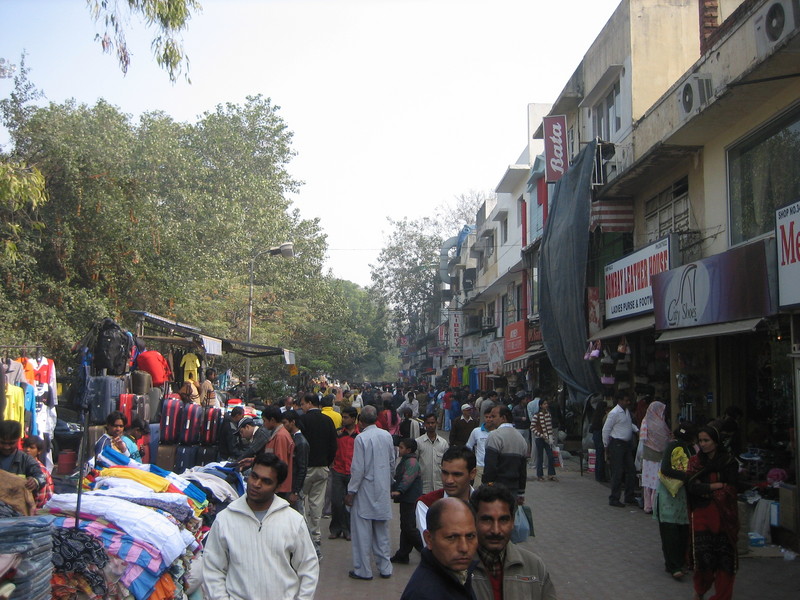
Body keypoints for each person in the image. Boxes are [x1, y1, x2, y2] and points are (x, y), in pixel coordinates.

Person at [202, 453, 319, 600]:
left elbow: (308, 567)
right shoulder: (225, 519)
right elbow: (213, 569)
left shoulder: (293, 521)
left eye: (266, 481)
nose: (256, 484)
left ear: (277, 487)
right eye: (254, 476)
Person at [470, 484, 557, 600]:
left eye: (503, 520)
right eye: (487, 520)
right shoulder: (459, 567)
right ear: (473, 521)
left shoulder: (534, 567)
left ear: (512, 522)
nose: (496, 530)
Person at [687, 426, 739, 600]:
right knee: (704, 560)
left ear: (716, 442)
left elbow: (732, 487)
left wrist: (704, 489)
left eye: (706, 440)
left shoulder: (728, 462)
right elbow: (691, 486)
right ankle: (700, 590)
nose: (703, 444)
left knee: (725, 562)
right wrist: (714, 486)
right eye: (700, 441)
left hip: (724, 516)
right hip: (702, 515)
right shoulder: (695, 462)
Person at [344, 405, 396, 581]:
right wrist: (389, 482)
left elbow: (358, 469)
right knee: (382, 532)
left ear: (360, 421)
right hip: (382, 489)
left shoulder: (361, 438)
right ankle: (385, 568)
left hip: (364, 491)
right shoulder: (386, 436)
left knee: (362, 533)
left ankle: (363, 570)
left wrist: (351, 491)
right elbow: (392, 462)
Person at [400, 497, 479, 600]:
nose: (464, 547)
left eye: (470, 536)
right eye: (452, 537)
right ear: (429, 539)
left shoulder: (460, 575)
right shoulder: (423, 595)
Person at [653, 423, 696, 580]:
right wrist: (686, 476)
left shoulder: (690, 449)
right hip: (669, 495)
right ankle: (674, 566)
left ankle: (676, 563)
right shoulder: (674, 447)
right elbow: (665, 469)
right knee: (670, 531)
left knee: (680, 531)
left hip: (681, 497)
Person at [299, 392, 338, 559]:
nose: (302, 407)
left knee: (300, 500)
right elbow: (333, 445)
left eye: (303, 404)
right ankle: (315, 535)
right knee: (316, 503)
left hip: (305, 468)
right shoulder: (327, 421)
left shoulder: (303, 420)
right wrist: (327, 462)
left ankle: (302, 533)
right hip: (322, 467)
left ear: (309, 403)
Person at [416, 445, 477, 542]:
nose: (449, 480)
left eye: (457, 474)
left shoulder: (484, 504)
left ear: (472, 473)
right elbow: (432, 545)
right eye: (445, 473)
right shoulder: (426, 503)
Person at [483, 405, 527, 504]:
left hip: (496, 490)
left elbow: (490, 466)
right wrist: (521, 492)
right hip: (513, 489)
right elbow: (522, 470)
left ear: (503, 418)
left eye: (494, 416)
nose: (491, 419)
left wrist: (487, 486)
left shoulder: (494, 436)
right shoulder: (521, 439)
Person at [602, 391, 639, 508]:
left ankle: (629, 496)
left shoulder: (626, 412)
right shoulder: (614, 413)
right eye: (625, 400)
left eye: (628, 400)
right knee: (617, 472)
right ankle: (614, 498)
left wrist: (637, 430)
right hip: (617, 444)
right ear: (620, 401)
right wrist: (606, 445)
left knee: (631, 470)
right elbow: (606, 429)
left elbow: (628, 424)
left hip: (626, 444)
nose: (628, 402)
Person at [390, 438, 424, 564]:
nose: (399, 449)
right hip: (407, 498)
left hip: (411, 499)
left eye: (402, 447)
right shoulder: (406, 460)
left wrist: (399, 490)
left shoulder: (412, 462)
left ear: (408, 450)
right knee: (405, 526)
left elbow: (407, 478)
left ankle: (427, 550)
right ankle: (403, 554)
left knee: (409, 528)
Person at [329, 406, 358, 540]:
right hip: (338, 470)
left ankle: (348, 530)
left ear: (353, 419)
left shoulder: (360, 435)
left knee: (350, 503)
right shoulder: (338, 433)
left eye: (346, 417)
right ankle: (335, 529)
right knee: (336, 502)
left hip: (352, 472)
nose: (343, 420)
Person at [639, 400, 672, 514]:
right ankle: (655, 505)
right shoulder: (660, 423)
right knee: (656, 481)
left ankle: (647, 505)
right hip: (658, 457)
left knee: (648, 482)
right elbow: (664, 439)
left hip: (647, 455)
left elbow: (642, 439)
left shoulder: (645, 421)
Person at [262, 405, 295, 499]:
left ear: (272, 420)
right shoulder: (278, 434)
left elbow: (280, 462)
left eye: (265, 421)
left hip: (279, 486)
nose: (264, 424)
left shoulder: (280, 436)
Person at [282, 410, 308, 513]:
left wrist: (296, 491)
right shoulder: (291, 438)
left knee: (297, 516)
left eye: (285, 423)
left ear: (292, 422)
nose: (283, 426)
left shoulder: (301, 442)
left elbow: (302, 468)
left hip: (294, 486)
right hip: (289, 485)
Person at [416, 413, 449, 494]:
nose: (430, 425)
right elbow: (415, 462)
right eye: (428, 423)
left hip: (439, 486)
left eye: (432, 423)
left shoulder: (443, 443)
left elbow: (447, 464)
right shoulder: (418, 442)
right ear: (424, 424)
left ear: (436, 423)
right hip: (423, 487)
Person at [21, 435, 53, 508]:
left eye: (32, 448)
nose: (27, 450)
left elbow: (41, 496)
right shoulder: (20, 464)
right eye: (25, 447)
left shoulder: (41, 469)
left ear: (39, 451)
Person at [530, 398, 558, 482]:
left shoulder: (548, 414)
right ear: (540, 405)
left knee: (550, 456)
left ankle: (551, 474)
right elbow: (532, 427)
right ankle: (540, 475)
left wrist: (551, 437)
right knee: (540, 457)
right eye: (544, 404)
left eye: (546, 404)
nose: (546, 405)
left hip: (548, 439)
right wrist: (541, 435)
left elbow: (550, 427)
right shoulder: (537, 415)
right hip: (539, 438)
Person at [467, 406, 495, 486]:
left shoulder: (498, 432)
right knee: (477, 489)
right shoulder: (476, 431)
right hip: (479, 467)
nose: (488, 419)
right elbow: (468, 446)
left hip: (493, 468)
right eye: (486, 417)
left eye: (491, 417)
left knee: (491, 489)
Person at [589, 397, 609, 482]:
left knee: (598, 456)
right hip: (600, 435)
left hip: (596, 435)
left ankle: (598, 475)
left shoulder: (595, 416)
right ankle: (601, 476)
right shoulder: (603, 417)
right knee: (601, 456)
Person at [511, 392, 532, 457]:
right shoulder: (516, 408)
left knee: (526, 442)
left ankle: (525, 454)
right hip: (519, 427)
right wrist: (520, 418)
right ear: (522, 400)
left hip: (526, 427)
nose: (526, 401)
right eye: (525, 399)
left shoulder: (527, 407)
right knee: (519, 442)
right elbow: (513, 417)